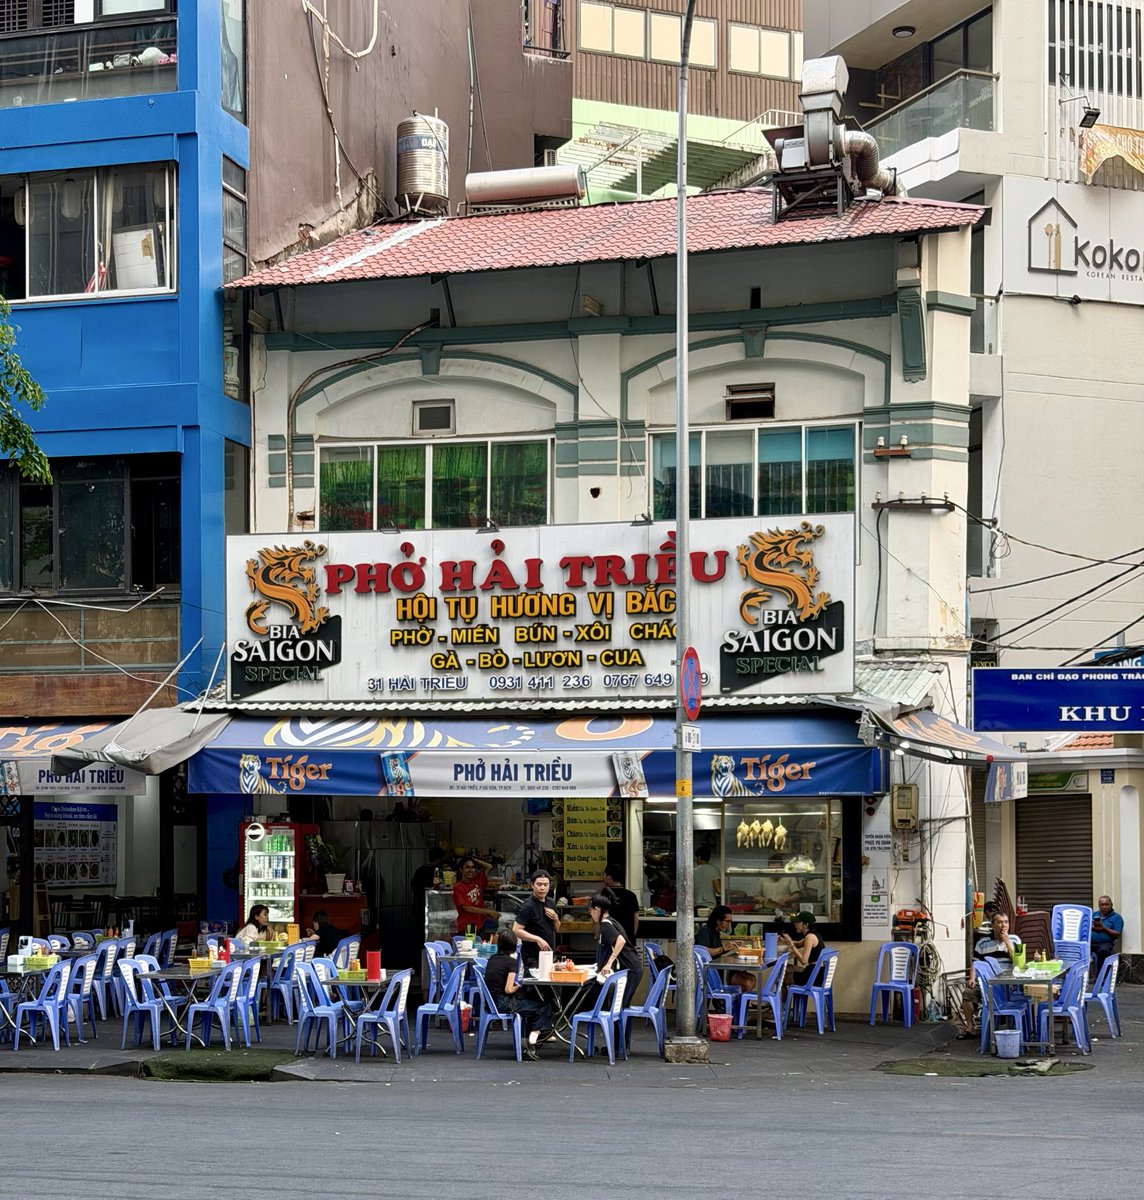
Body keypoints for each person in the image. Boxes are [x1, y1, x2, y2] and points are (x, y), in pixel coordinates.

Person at [483, 929, 552, 1060]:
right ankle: (532, 1040)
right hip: (504, 1003)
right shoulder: (511, 963)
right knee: (543, 1006)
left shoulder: (492, 959)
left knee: (530, 1003)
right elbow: (509, 989)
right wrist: (519, 985)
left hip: (490, 1002)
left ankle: (528, 1038)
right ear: (514, 946)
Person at [590, 891, 643, 995]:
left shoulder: (606, 924)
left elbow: (620, 940)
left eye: (590, 910)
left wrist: (609, 963)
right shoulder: (610, 921)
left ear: (596, 910)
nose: (590, 914)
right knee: (620, 1004)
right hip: (633, 967)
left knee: (620, 1004)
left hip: (630, 968)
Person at [696, 905, 756, 991]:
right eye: (727, 921)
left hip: (721, 969)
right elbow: (703, 953)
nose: (729, 925)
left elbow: (717, 951)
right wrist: (723, 948)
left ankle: (736, 1003)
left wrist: (730, 947)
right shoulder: (704, 931)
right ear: (718, 921)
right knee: (747, 983)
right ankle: (726, 1002)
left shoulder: (716, 932)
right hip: (712, 973)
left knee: (752, 979)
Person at [513, 869, 560, 971]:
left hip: (550, 955)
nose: (542, 888)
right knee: (535, 986)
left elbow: (557, 928)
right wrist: (537, 939)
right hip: (532, 958)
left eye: (545, 884)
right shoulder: (527, 906)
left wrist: (556, 919)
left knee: (553, 985)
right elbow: (516, 930)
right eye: (539, 884)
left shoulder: (551, 902)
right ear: (532, 885)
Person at [453, 856, 499, 935]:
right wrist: (487, 912)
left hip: (480, 923)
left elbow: (489, 866)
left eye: (473, 867)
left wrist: (473, 859)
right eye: (467, 867)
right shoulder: (458, 887)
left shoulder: (477, 881)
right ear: (461, 870)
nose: (470, 870)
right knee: (470, 946)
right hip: (468, 925)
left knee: (478, 945)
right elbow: (466, 907)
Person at [780, 911, 824, 987]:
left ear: (806, 925)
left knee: (784, 979)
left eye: (798, 922)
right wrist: (784, 941)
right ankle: (793, 997)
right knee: (786, 968)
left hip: (814, 975)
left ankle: (783, 999)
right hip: (818, 972)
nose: (795, 924)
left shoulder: (809, 937)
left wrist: (791, 945)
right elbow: (798, 944)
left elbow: (804, 961)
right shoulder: (814, 934)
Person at [601, 865, 639, 942]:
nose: (603, 878)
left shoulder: (604, 894)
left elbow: (599, 916)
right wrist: (632, 936)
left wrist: (597, 935)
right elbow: (636, 918)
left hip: (609, 938)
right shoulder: (631, 895)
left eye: (604, 875)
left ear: (610, 876)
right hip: (627, 938)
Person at [1091, 895, 1124, 971]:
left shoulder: (1117, 917)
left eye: (1106, 904)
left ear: (1111, 905)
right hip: (1091, 943)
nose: (1104, 907)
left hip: (1105, 944)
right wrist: (1093, 928)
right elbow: (1086, 927)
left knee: (1103, 952)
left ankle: (1101, 978)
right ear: (1099, 906)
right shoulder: (1094, 915)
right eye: (1102, 905)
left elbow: (1117, 934)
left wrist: (1103, 928)